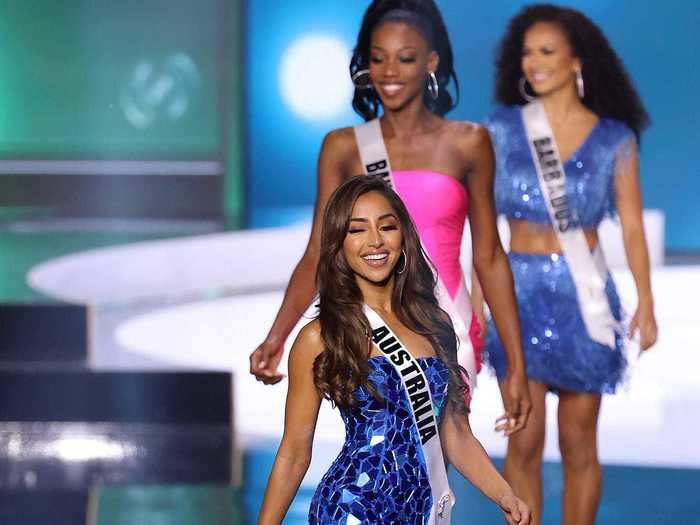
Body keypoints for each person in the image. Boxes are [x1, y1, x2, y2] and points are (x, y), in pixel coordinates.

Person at [250, 0, 530, 433]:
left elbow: (490, 258)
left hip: (445, 324)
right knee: (380, 461)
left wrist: (514, 366)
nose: (389, 72)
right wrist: (277, 335)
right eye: (378, 59)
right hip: (368, 328)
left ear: (431, 63)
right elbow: (317, 255)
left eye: (406, 59)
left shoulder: (469, 143)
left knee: (432, 472)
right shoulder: (342, 147)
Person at [257, 176, 531, 524]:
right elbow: (294, 454)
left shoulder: (433, 326)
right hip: (352, 509)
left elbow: (456, 433)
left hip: (420, 511)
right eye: (357, 230)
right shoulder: (321, 336)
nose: (375, 240)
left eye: (387, 227)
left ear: (403, 239)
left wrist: (504, 494)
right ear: (339, 244)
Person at [480, 5, 658, 524]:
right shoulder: (501, 130)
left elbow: (630, 226)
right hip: (518, 295)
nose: (534, 62)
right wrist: (476, 300)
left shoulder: (614, 139)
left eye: (547, 51)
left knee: (579, 444)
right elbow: (484, 229)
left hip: (584, 299)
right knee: (523, 442)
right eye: (527, 51)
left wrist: (646, 301)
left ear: (576, 59)